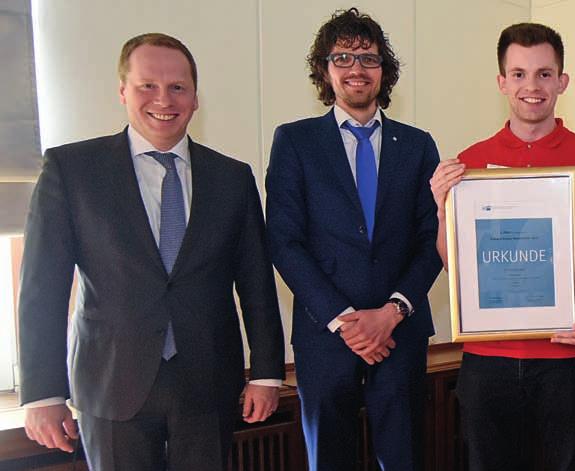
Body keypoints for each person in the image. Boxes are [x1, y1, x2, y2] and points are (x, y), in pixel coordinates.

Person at [17, 33, 285, 470]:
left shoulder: (232, 177)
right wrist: (43, 392)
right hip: (110, 383)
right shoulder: (72, 170)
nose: (164, 98)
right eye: (148, 86)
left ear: (195, 98)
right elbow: (42, 287)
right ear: (123, 91)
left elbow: (256, 282)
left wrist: (267, 373)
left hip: (208, 383)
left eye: (178, 87)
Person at [429, 22, 575, 471]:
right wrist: (441, 209)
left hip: (566, 358)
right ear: (501, 82)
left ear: (562, 81)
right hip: (486, 360)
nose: (531, 86)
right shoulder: (469, 161)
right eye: (518, 74)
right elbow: (453, 266)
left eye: (544, 74)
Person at [265, 8, 442, 470]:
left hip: (400, 334)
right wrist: (346, 320)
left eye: (369, 57)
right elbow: (284, 242)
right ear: (324, 70)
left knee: (404, 458)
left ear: (385, 70)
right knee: (329, 459)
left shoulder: (419, 145)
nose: (357, 69)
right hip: (325, 338)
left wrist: (392, 312)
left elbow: (432, 241)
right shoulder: (294, 142)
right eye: (342, 57)